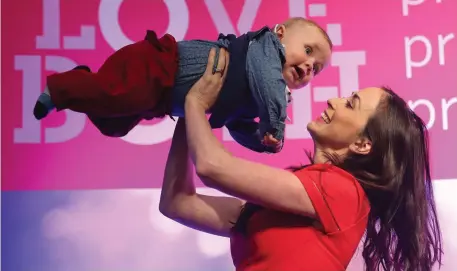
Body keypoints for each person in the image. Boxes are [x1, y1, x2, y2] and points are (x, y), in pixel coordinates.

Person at [159, 48, 443, 270]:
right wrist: (188, 108)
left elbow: (212, 166)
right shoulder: (287, 201)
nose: (334, 101)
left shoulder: (345, 193)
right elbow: (178, 203)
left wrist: (197, 102)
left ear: (362, 144)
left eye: (351, 103)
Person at [32, 17, 332, 153]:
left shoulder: (260, 96)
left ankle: (83, 80)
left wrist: (262, 142)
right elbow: (269, 85)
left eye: (316, 69)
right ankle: (61, 88)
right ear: (279, 33)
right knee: (117, 94)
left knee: (114, 124)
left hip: (158, 99)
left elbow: (237, 126)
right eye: (308, 51)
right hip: (159, 65)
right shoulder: (266, 49)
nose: (308, 66)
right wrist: (275, 128)